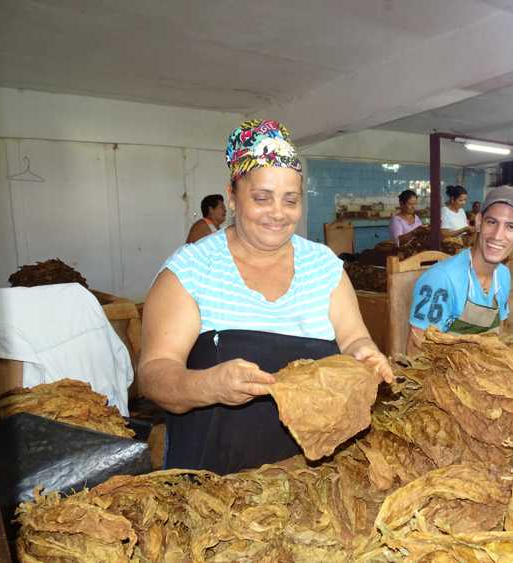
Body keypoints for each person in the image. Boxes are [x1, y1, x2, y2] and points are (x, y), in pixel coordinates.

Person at [138, 120, 393, 475]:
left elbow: (353, 338)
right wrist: (208, 385)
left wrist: (364, 354)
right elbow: (153, 375)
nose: (278, 213)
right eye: (261, 198)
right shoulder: (190, 271)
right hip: (213, 486)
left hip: (312, 478)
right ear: (232, 194)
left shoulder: (324, 267)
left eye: (290, 200)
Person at [407, 186, 513, 355]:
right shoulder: (442, 279)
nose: (497, 235)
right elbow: (415, 354)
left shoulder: (503, 275)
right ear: (479, 222)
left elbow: (497, 336)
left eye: (511, 227)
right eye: (492, 222)